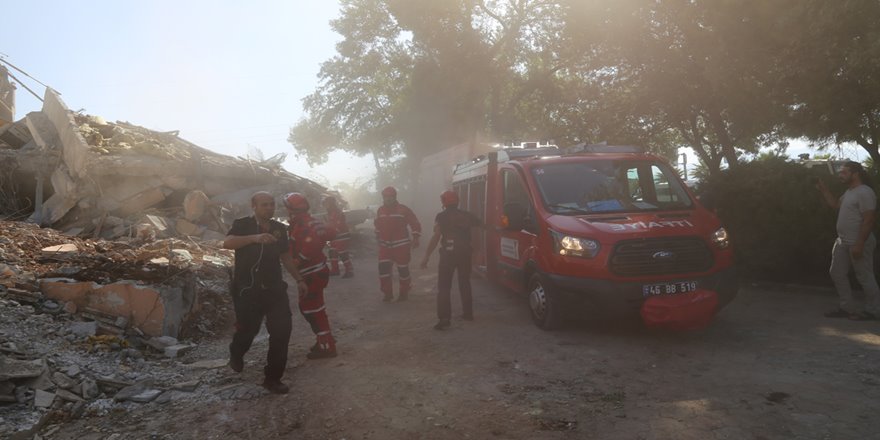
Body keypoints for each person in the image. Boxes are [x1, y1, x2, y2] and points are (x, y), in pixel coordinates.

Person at [223, 191, 309, 394]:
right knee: (247, 330)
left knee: (281, 332)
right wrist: (255, 238)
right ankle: (236, 352)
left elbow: (286, 256)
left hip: (274, 290)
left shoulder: (280, 229)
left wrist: (299, 279)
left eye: (271, 204)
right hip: (247, 290)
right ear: (254, 206)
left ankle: (272, 378)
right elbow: (227, 243)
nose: (269, 208)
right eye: (264, 205)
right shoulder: (242, 224)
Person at [816, 161, 880, 320]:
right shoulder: (849, 192)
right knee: (837, 273)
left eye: (844, 172)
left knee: (865, 276)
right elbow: (835, 205)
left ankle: (874, 310)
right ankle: (847, 308)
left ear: (855, 174)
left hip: (858, 242)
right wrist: (823, 189)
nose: (840, 175)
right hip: (842, 242)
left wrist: (859, 243)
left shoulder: (865, 192)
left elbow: (869, 220)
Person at [284, 192, 339, 359]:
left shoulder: (304, 224)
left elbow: (312, 243)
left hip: (311, 273)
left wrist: (298, 261)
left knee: (313, 309)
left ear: (291, 209)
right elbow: (330, 233)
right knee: (311, 308)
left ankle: (326, 346)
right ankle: (325, 338)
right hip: (316, 271)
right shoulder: (308, 222)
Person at [419, 190, 482, 330]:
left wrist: (426, 256)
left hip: (448, 256)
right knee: (464, 283)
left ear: (443, 202)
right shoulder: (467, 216)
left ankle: (444, 319)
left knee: (444, 287)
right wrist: (478, 250)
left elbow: (436, 237)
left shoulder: (441, 217)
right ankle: (468, 314)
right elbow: (480, 228)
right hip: (465, 254)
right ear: (457, 201)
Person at [374, 186, 421, 302]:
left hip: (401, 246)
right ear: (383, 198)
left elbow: (414, 223)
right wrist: (378, 237)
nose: (388, 199)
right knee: (383, 270)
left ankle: (404, 292)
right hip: (385, 246)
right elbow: (378, 226)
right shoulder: (380, 210)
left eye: (390, 197)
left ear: (395, 197)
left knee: (403, 270)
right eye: (386, 197)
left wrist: (416, 238)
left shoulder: (403, 209)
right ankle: (387, 293)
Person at [322, 196, 354, 278]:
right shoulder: (331, 212)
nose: (325, 205)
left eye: (326, 203)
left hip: (341, 235)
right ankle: (335, 270)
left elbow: (335, 225)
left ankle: (349, 270)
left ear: (330, 204)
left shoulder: (336, 212)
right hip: (335, 236)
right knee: (332, 252)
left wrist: (326, 228)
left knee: (343, 253)